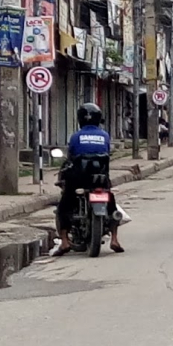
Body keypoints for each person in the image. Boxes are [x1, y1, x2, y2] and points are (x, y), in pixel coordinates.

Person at [54, 103, 123, 257]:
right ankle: (115, 238)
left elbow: (71, 157)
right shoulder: (105, 136)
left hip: (78, 179)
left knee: (64, 205)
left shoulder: (76, 137)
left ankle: (64, 241)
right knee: (111, 202)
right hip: (100, 179)